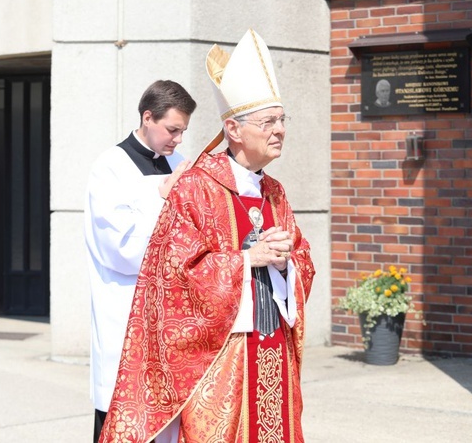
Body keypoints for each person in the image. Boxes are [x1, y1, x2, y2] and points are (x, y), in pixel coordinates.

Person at [100, 29, 315, 443]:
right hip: (219, 358)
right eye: (268, 121)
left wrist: (288, 259)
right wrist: (245, 260)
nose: (279, 130)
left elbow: (303, 258)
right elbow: (171, 276)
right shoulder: (196, 187)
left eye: (282, 119)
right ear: (233, 129)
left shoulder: (275, 191)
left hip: (273, 349)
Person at [84, 80, 197, 442]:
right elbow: (119, 248)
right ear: (148, 117)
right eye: (172, 129)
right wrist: (163, 198)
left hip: (173, 318)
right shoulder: (110, 167)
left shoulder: (178, 162)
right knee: (124, 418)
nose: (178, 139)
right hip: (126, 311)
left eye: (183, 131)